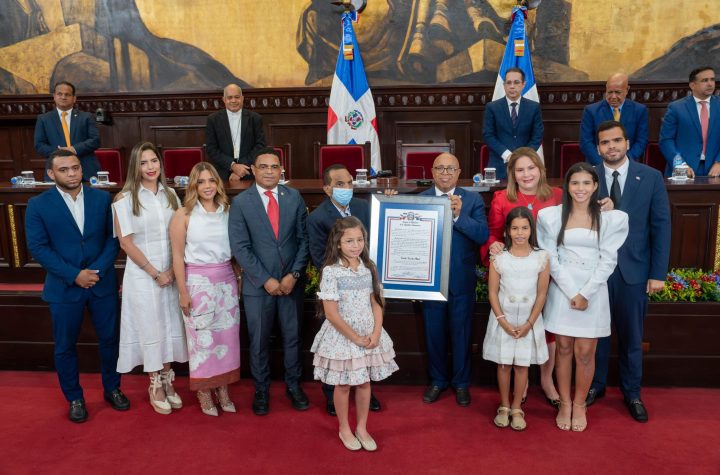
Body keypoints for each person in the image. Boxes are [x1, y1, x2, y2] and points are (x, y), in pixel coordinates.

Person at [25, 149, 129, 423]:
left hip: (101, 283)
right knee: (65, 346)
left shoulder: (101, 198)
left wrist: (95, 271)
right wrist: (75, 275)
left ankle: (112, 388)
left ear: (82, 170)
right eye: (64, 169)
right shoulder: (38, 204)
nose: (71, 173)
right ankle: (74, 397)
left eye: (75, 168)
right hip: (64, 288)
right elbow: (38, 247)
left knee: (109, 340)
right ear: (51, 173)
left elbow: (113, 238)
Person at [588, 120, 671, 422]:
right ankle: (594, 386)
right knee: (595, 335)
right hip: (595, 273)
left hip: (634, 272)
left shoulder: (650, 177)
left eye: (616, 141)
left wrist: (658, 273)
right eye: (605, 142)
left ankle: (632, 392)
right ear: (598, 147)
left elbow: (661, 227)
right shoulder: (588, 177)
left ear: (626, 143)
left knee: (632, 338)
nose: (611, 147)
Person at [537, 162, 628, 432]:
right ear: (567, 186)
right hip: (563, 289)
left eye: (586, 183)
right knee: (563, 348)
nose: (580, 188)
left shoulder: (612, 218)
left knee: (585, 352)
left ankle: (580, 404)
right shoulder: (552, 217)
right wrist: (571, 291)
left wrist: (585, 293)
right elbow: (550, 256)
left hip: (593, 289)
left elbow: (609, 260)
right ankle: (565, 402)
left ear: (595, 186)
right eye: (575, 183)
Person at [228, 147, 310, 415]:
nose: (269, 172)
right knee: (259, 341)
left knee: (292, 338)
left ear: (281, 170)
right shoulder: (241, 203)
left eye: (274, 167)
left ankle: (293, 385)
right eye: (263, 166)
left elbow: (303, 240)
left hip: (290, 285)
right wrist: (265, 280)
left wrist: (293, 275)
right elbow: (240, 247)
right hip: (258, 286)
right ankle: (261, 388)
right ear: (253, 169)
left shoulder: (293, 197)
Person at [481, 148, 562, 406]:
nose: (526, 174)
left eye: (531, 168)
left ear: (541, 169)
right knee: (521, 320)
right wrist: (493, 246)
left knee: (549, 327)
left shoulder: (558, 196)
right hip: (516, 275)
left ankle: (547, 379)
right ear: (512, 174)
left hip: (550, 271)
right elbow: (493, 234)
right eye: (520, 170)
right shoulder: (502, 198)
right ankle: (521, 381)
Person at [112, 142, 187, 415]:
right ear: (135, 166)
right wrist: (155, 272)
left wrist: (171, 271)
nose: (150, 167)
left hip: (171, 271)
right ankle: (154, 382)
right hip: (144, 275)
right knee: (150, 327)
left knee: (169, 325)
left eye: (154, 160)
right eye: (143, 162)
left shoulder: (170, 195)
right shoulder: (125, 198)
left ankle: (169, 379)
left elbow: (178, 234)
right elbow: (126, 242)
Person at [312, 217, 398, 451]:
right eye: (349, 241)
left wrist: (377, 331)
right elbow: (331, 313)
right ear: (338, 243)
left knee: (364, 383)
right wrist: (354, 337)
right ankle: (344, 428)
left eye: (360, 239)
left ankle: (361, 427)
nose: (356, 245)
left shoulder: (368, 267)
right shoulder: (331, 271)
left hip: (369, 333)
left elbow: (376, 302)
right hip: (344, 335)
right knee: (343, 385)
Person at [307, 163, 382, 416]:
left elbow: (373, 240)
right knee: (338, 349)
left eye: (350, 182)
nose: (346, 188)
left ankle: (364, 389)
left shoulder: (364, 206)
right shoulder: (317, 217)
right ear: (327, 188)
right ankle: (332, 395)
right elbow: (320, 256)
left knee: (365, 344)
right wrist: (346, 271)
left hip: (364, 281)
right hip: (339, 288)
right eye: (340, 184)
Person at [170, 162, 241, 416]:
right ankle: (204, 391)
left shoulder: (228, 211)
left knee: (227, 339)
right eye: (201, 182)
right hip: (198, 284)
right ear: (193, 185)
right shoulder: (184, 214)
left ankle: (222, 389)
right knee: (202, 340)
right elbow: (177, 256)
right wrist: (183, 292)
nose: (207, 186)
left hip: (226, 282)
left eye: (211, 180)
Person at [419, 152, 489, 406]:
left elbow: (482, 234)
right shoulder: (421, 199)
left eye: (451, 168)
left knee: (461, 334)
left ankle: (461, 383)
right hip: (430, 282)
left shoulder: (472, 199)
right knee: (433, 334)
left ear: (459, 172)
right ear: (432, 172)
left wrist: (459, 216)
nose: (445, 173)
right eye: (440, 168)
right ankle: (438, 380)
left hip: (461, 280)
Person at [483, 207, 550, 431]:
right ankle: (503, 405)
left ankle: (516, 407)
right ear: (507, 231)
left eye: (524, 228)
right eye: (515, 228)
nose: (520, 233)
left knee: (522, 365)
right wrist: (502, 320)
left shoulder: (541, 257)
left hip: (528, 321)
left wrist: (530, 323)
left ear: (531, 229)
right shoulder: (499, 258)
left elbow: (542, 293)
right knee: (503, 363)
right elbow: (492, 292)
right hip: (504, 317)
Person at [483, 67, 544, 180]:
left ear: (523, 84)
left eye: (516, 82)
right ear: (504, 85)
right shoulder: (492, 107)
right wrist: (507, 155)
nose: (512, 86)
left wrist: (522, 156)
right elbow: (488, 135)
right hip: (499, 166)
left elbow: (537, 136)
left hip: (526, 168)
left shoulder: (534, 107)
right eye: (509, 82)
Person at [659, 67, 720, 178]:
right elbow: (666, 140)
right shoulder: (676, 108)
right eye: (705, 80)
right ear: (692, 85)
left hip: (715, 169)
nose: (710, 84)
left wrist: (719, 162)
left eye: (712, 79)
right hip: (683, 169)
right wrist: (680, 165)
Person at [33, 81, 100, 181]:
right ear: (54, 96)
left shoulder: (86, 117)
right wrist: (59, 153)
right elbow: (39, 145)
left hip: (86, 170)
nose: (63, 97)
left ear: (74, 98)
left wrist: (73, 149)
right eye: (60, 94)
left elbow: (95, 140)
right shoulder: (44, 119)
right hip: (56, 170)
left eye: (67, 94)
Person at [579, 73, 648, 165]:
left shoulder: (639, 110)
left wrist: (624, 162)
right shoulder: (591, 111)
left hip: (629, 164)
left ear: (627, 90)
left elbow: (641, 141)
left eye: (618, 92)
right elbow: (586, 143)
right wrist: (603, 165)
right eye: (610, 92)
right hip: (598, 164)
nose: (613, 97)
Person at [205, 84, 266, 182]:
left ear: (242, 98)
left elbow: (260, 145)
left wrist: (241, 168)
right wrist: (233, 166)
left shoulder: (255, 118)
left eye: (237, 97)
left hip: (249, 171)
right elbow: (211, 148)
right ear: (224, 100)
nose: (233, 100)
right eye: (229, 97)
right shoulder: (213, 119)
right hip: (222, 173)